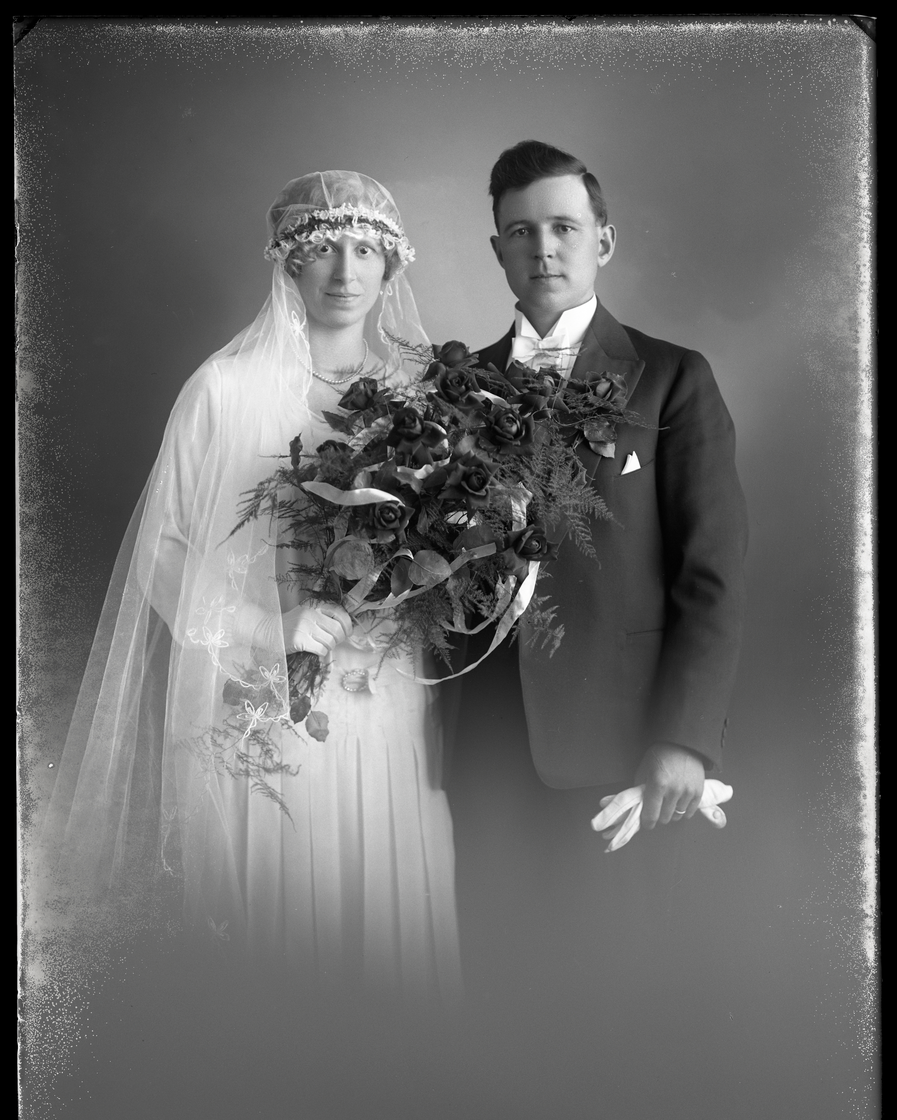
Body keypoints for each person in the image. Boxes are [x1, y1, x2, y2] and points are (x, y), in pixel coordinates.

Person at [34, 171, 463, 1005]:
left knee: (386, 895)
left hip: (388, 692)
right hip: (267, 698)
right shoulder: (223, 390)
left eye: (365, 249)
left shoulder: (423, 402)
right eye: (324, 248)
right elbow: (161, 548)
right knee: (289, 893)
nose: (346, 271)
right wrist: (270, 629)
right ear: (288, 262)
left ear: (391, 265)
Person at [447, 141, 749, 996]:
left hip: (621, 740)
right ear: (497, 249)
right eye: (521, 231)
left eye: (563, 228)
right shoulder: (455, 387)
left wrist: (684, 740)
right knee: (498, 983)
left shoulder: (672, 378)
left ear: (603, 241)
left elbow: (711, 575)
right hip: (484, 739)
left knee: (617, 986)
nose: (543, 248)